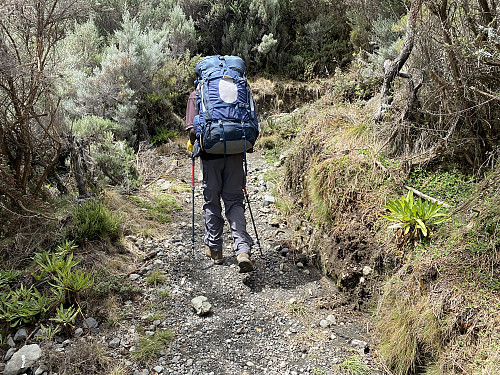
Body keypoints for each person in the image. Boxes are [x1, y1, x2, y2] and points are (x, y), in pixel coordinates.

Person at [185, 90, 254, 273]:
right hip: (235, 154)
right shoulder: (238, 88)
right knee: (234, 201)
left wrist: (195, 146)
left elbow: (192, 130)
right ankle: (243, 250)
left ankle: (215, 250)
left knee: (212, 202)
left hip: (210, 156)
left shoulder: (198, 92)